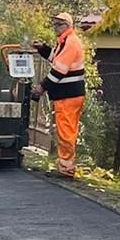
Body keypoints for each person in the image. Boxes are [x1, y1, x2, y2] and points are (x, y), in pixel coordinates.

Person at [37, 10, 86, 177]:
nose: (55, 27)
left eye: (59, 24)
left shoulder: (70, 42)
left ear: (68, 25)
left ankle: (66, 169)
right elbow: (57, 59)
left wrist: (42, 87)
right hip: (68, 95)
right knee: (66, 130)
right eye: (54, 24)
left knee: (66, 132)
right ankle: (65, 166)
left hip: (68, 96)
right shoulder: (64, 41)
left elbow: (59, 70)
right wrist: (43, 49)